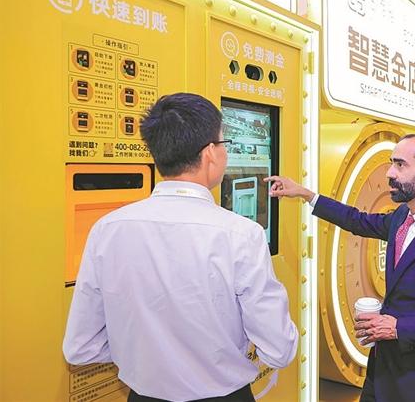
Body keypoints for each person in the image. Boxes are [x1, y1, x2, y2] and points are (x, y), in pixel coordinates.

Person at [63, 93, 297, 402]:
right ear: (210, 153)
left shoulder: (107, 229)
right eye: (224, 144)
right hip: (225, 396)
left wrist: (144, 356)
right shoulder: (242, 235)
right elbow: (279, 349)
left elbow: (80, 347)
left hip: (142, 396)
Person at [266, 134, 415, 402]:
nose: (390, 173)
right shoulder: (403, 217)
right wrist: (307, 195)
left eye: (400, 165)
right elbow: (358, 221)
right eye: (392, 163)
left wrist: (398, 328)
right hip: (384, 370)